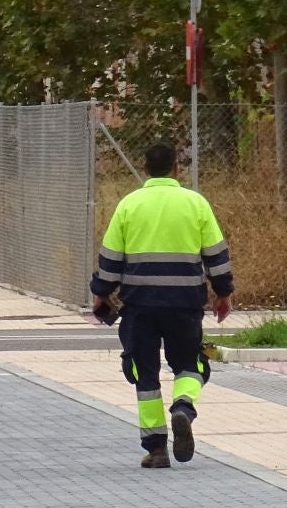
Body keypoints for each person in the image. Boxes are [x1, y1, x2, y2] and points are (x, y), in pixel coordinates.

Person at [89, 141, 233, 468]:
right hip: (185, 304)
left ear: (144, 168)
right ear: (176, 169)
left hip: (140, 307)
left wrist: (101, 293)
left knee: (144, 373)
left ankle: (156, 449)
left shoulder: (129, 205)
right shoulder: (195, 204)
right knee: (191, 364)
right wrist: (222, 293)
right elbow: (216, 255)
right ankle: (183, 407)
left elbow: (110, 259)